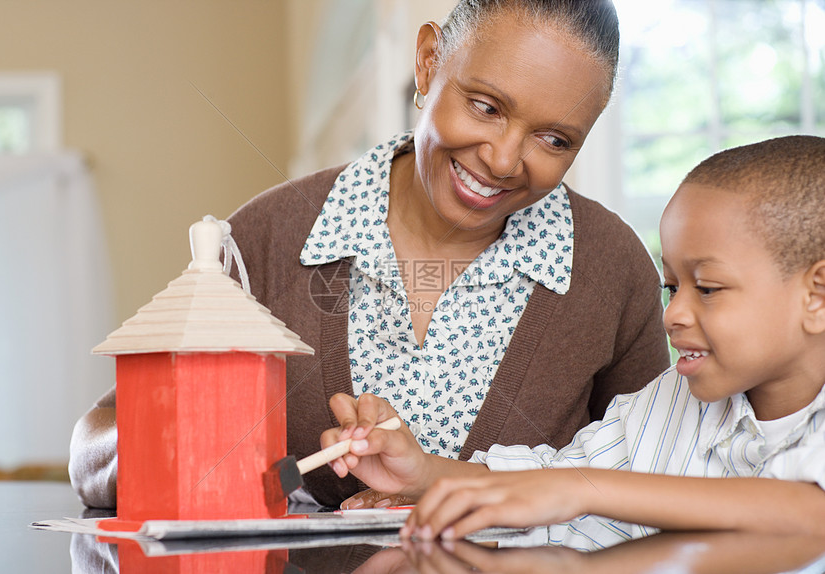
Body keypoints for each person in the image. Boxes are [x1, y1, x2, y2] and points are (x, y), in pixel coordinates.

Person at [69, 0, 669, 509]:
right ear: (429, 62)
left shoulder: (613, 271)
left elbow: (655, 484)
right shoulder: (266, 238)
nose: (506, 160)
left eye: (554, 139)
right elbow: (98, 439)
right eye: (486, 106)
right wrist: (179, 454)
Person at [321, 135, 825, 547]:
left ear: (816, 295)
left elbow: (807, 515)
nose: (673, 314)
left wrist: (583, 491)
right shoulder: (666, 403)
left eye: (708, 289)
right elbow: (552, 478)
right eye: (672, 287)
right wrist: (422, 472)